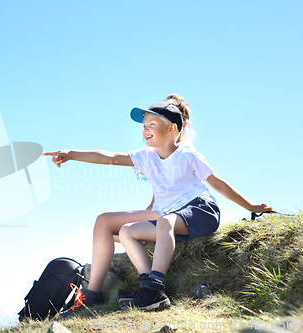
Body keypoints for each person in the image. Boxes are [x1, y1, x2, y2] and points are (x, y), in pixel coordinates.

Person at [42, 94, 272, 313]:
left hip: (199, 209)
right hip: (165, 212)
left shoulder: (188, 156)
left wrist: (251, 206)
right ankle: (116, 292)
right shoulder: (146, 157)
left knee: (164, 223)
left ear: (172, 129)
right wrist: (71, 153)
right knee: (115, 226)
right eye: (144, 125)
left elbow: (217, 184)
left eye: (152, 124)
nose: (145, 129)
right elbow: (109, 157)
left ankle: (155, 287)